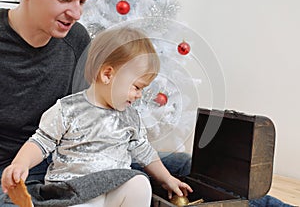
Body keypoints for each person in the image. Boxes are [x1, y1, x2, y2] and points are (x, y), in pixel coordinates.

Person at [1, 27, 193, 207]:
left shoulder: (130, 117)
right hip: (72, 193)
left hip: (111, 190)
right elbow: (41, 142)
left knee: (139, 182)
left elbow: (144, 152)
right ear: (108, 74)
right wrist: (20, 164)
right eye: (137, 87)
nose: (139, 95)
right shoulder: (69, 109)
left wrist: (167, 179)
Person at [0, 0, 91, 206]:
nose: (76, 14)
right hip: (7, 173)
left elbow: (81, 116)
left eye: (81, 2)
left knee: (180, 164)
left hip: (57, 160)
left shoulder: (77, 39)